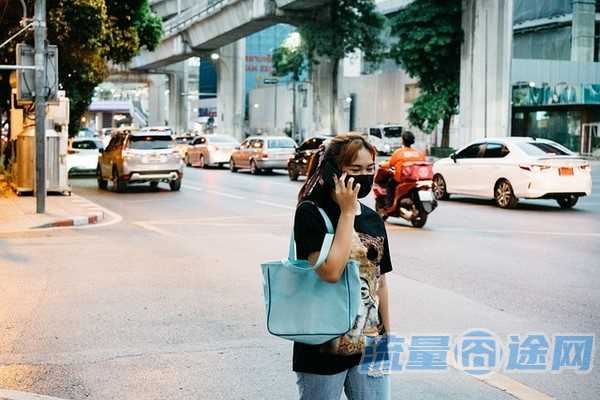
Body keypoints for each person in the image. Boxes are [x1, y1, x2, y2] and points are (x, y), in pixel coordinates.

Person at [293, 133, 393, 400]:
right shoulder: (311, 213)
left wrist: (387, 337)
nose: (364, 176)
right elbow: (330, 272)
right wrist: (347, 212)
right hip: (323, 342)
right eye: (355, 169)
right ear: (334, 172)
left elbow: (380, 282)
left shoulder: (373, 219)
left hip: (369, 340)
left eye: (370, 169)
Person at [381, 131, 426, 206]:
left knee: (390, 184)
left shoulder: (399, 152)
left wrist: (382, 164)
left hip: (401, 180)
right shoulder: (419, 153)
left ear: (402, 140)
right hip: (416, 179)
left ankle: (389, 204)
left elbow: (391, 164)